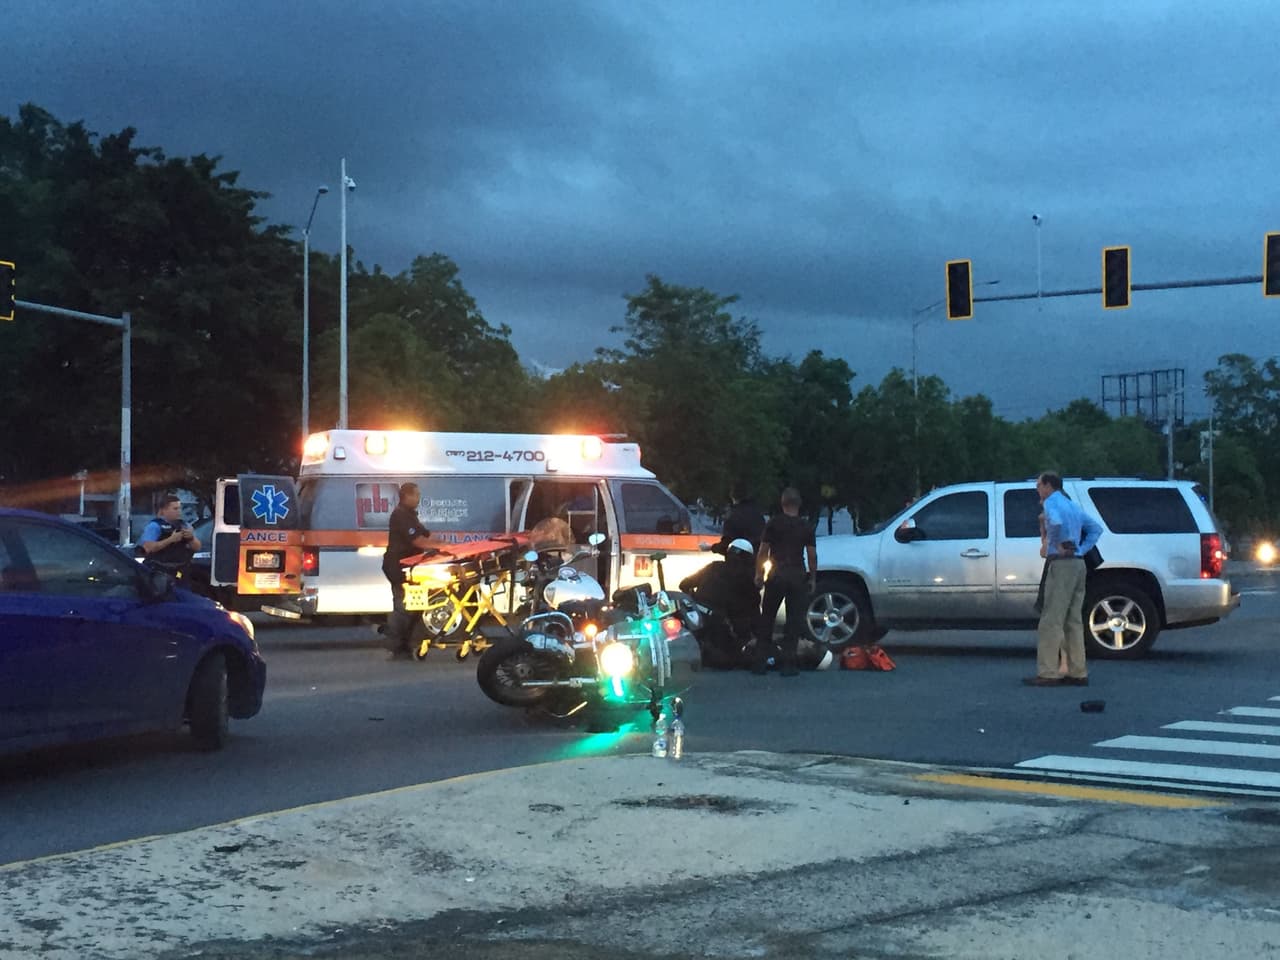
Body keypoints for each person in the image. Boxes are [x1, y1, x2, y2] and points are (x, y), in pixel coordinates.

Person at [1026, 472, 1102, 687]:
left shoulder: (1051, 503)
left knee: (1051, 619)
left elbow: (1056, 523)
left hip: (1061, 563)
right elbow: (1096, 529)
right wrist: (1080, 549)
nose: (1037, 489)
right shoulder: (1072, 505)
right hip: (1079, 564)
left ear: (1049, 485)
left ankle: (1048, 672)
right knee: (1073, 620)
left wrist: (1060, 544)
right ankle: (1078, 671)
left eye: (1039, 485)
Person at [752, 487, 817, 677]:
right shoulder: (806, 526)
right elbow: (812, 555)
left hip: (777, 574)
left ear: (782, 503)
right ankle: (789, 664)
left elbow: (763, 551)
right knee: (793, 621)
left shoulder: (773, 523)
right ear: (799, 504)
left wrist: (759, 573)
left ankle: (760, 662)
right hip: (797, 574)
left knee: (768, 619)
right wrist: (812, 577)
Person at [680, 538, 760, 669]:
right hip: (717, 621)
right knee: (731, 658)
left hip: (695, 618)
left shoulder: (713, 566)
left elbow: (684, 584)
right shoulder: (745, 578)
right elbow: (753, 606)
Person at [382, 482, 433, 659]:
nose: (419, 499)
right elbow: (417, 541)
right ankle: (396, 646)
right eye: (416, 495)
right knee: (403, 606)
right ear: (407, 496)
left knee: (414, 606)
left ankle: (406, 643)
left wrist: (445, 544)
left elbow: (426, 535)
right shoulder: (400, 515)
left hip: (409, 567)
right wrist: (441, 548)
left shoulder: (411, 515)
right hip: (398, 566)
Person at [137, 494, 200, 580]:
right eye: (175, 509)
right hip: (159, 571)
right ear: (164, 510)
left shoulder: (185, 525)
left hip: (180, 571)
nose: (179, 511)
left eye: (179, 508)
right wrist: (170, 540)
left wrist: (191, 538)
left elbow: (197, 547)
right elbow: (148, 548)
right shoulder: (155, 526)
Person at [713, 480, 765, 556]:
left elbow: (726, 546)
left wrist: (712, 547)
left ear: (732, 496)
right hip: (755, 562)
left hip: (737, 562)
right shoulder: (758, 515)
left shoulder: (732, 516)